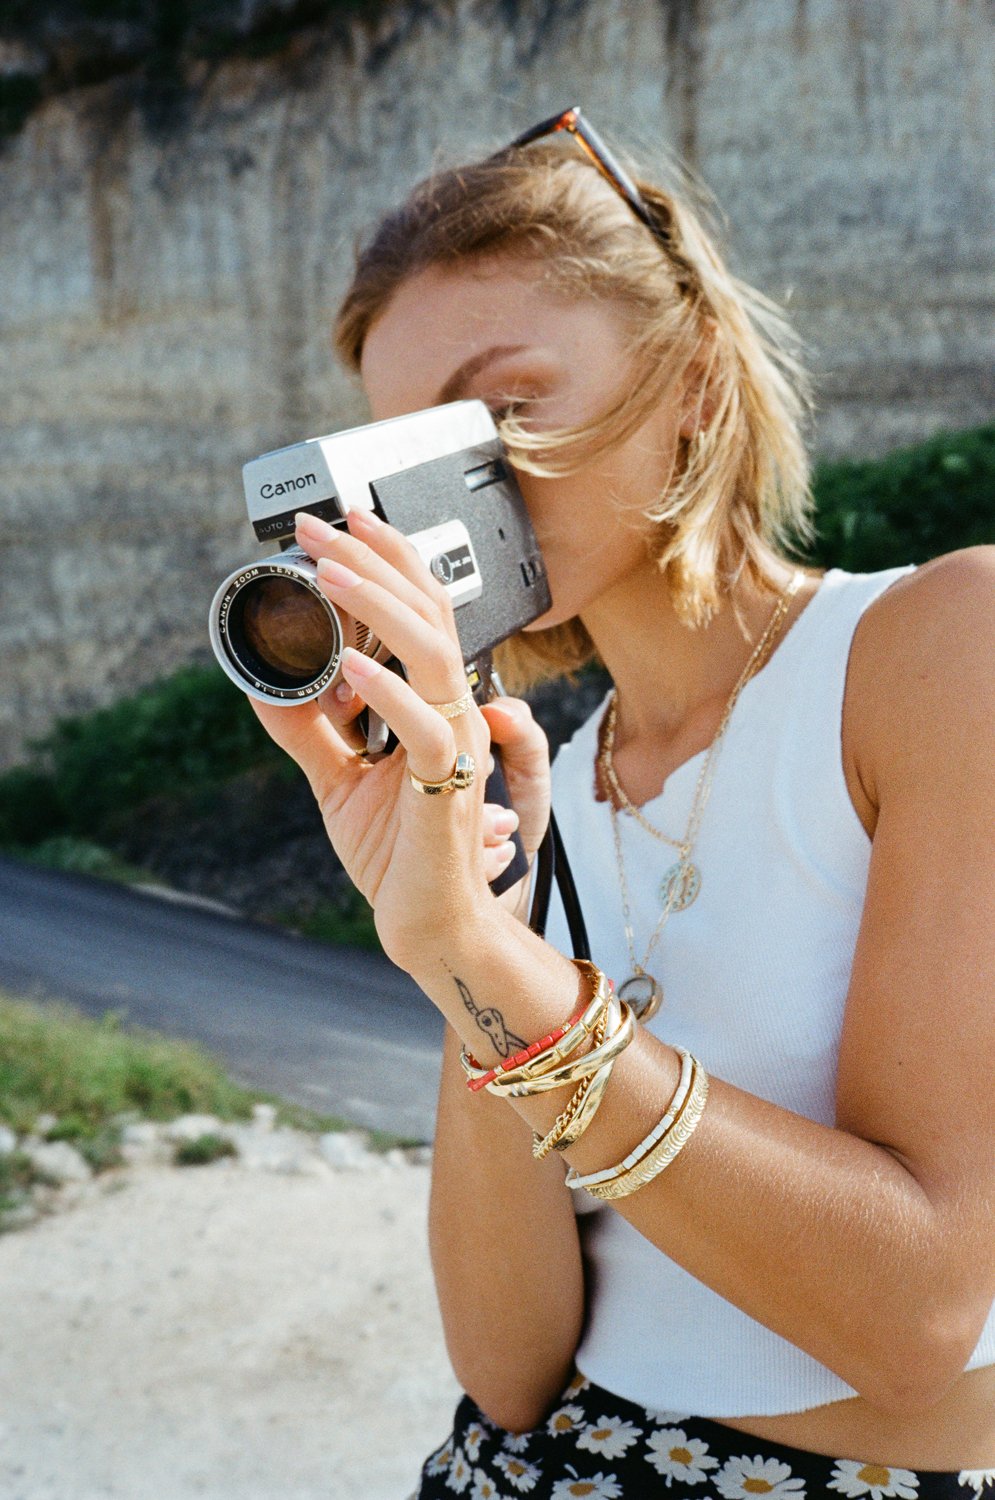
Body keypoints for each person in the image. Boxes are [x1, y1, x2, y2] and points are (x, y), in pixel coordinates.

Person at [249, 110, 995, 1499]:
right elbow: (509, 1364)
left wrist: (505, 973)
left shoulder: (940, 648)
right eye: (402, 457)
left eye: (506, 410)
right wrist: (461, 935)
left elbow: (919, 1319)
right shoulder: (552, 796)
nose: (450, 495)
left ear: (696, 376)